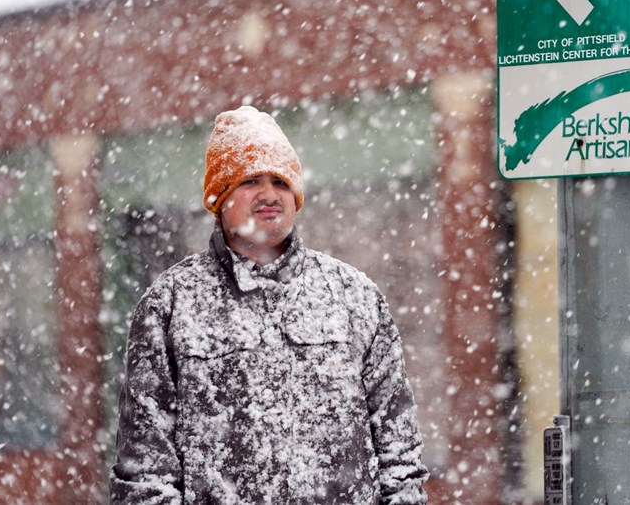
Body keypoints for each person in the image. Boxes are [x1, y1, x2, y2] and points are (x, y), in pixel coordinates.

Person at [110, 106, 429, 504]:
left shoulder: (354, 296)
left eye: (280, 181)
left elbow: (399, 455)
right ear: (220, 197)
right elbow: (145, 473)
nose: (269, 194)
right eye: (250, 181)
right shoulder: (171, 304)